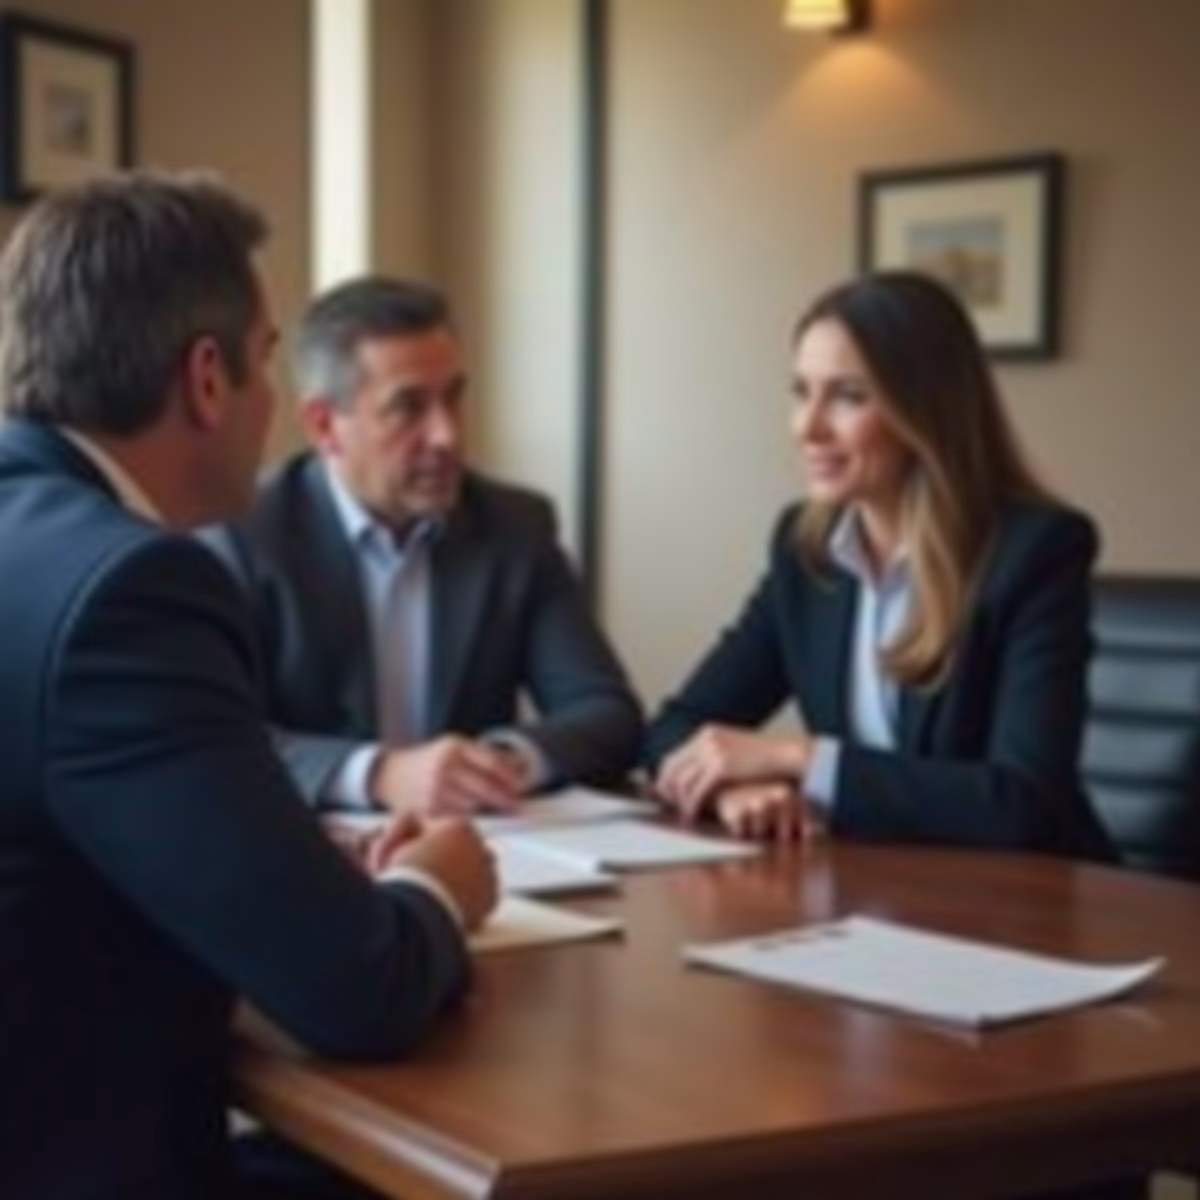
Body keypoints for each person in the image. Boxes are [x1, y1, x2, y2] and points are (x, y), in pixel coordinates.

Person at [0, 172, 497, 1200]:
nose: (273, 401)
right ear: (207, 379)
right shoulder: (128, 589)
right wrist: (439, 884)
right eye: (269, 358)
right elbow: (361, 990)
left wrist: (283, 853)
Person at [646, 270, 1114, 860]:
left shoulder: (1034, 553)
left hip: (1035, 904)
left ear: (927, 411)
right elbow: (676, 728)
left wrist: (799, 759)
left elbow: (1024, 802)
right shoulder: (804, 550)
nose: (807, 427)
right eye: (800, 391)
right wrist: (733, 790)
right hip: (877, 894)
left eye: (848, 396)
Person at [202, 275, 642, 820]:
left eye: (454, 398)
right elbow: (212, 739)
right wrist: (377, 774)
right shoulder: (241, 536)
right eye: (408, 408)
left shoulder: (515, 526)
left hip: (492, 863)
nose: (447, 435)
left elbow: (607, 712)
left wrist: (501, 763)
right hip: (311, 864)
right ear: (324, 426)